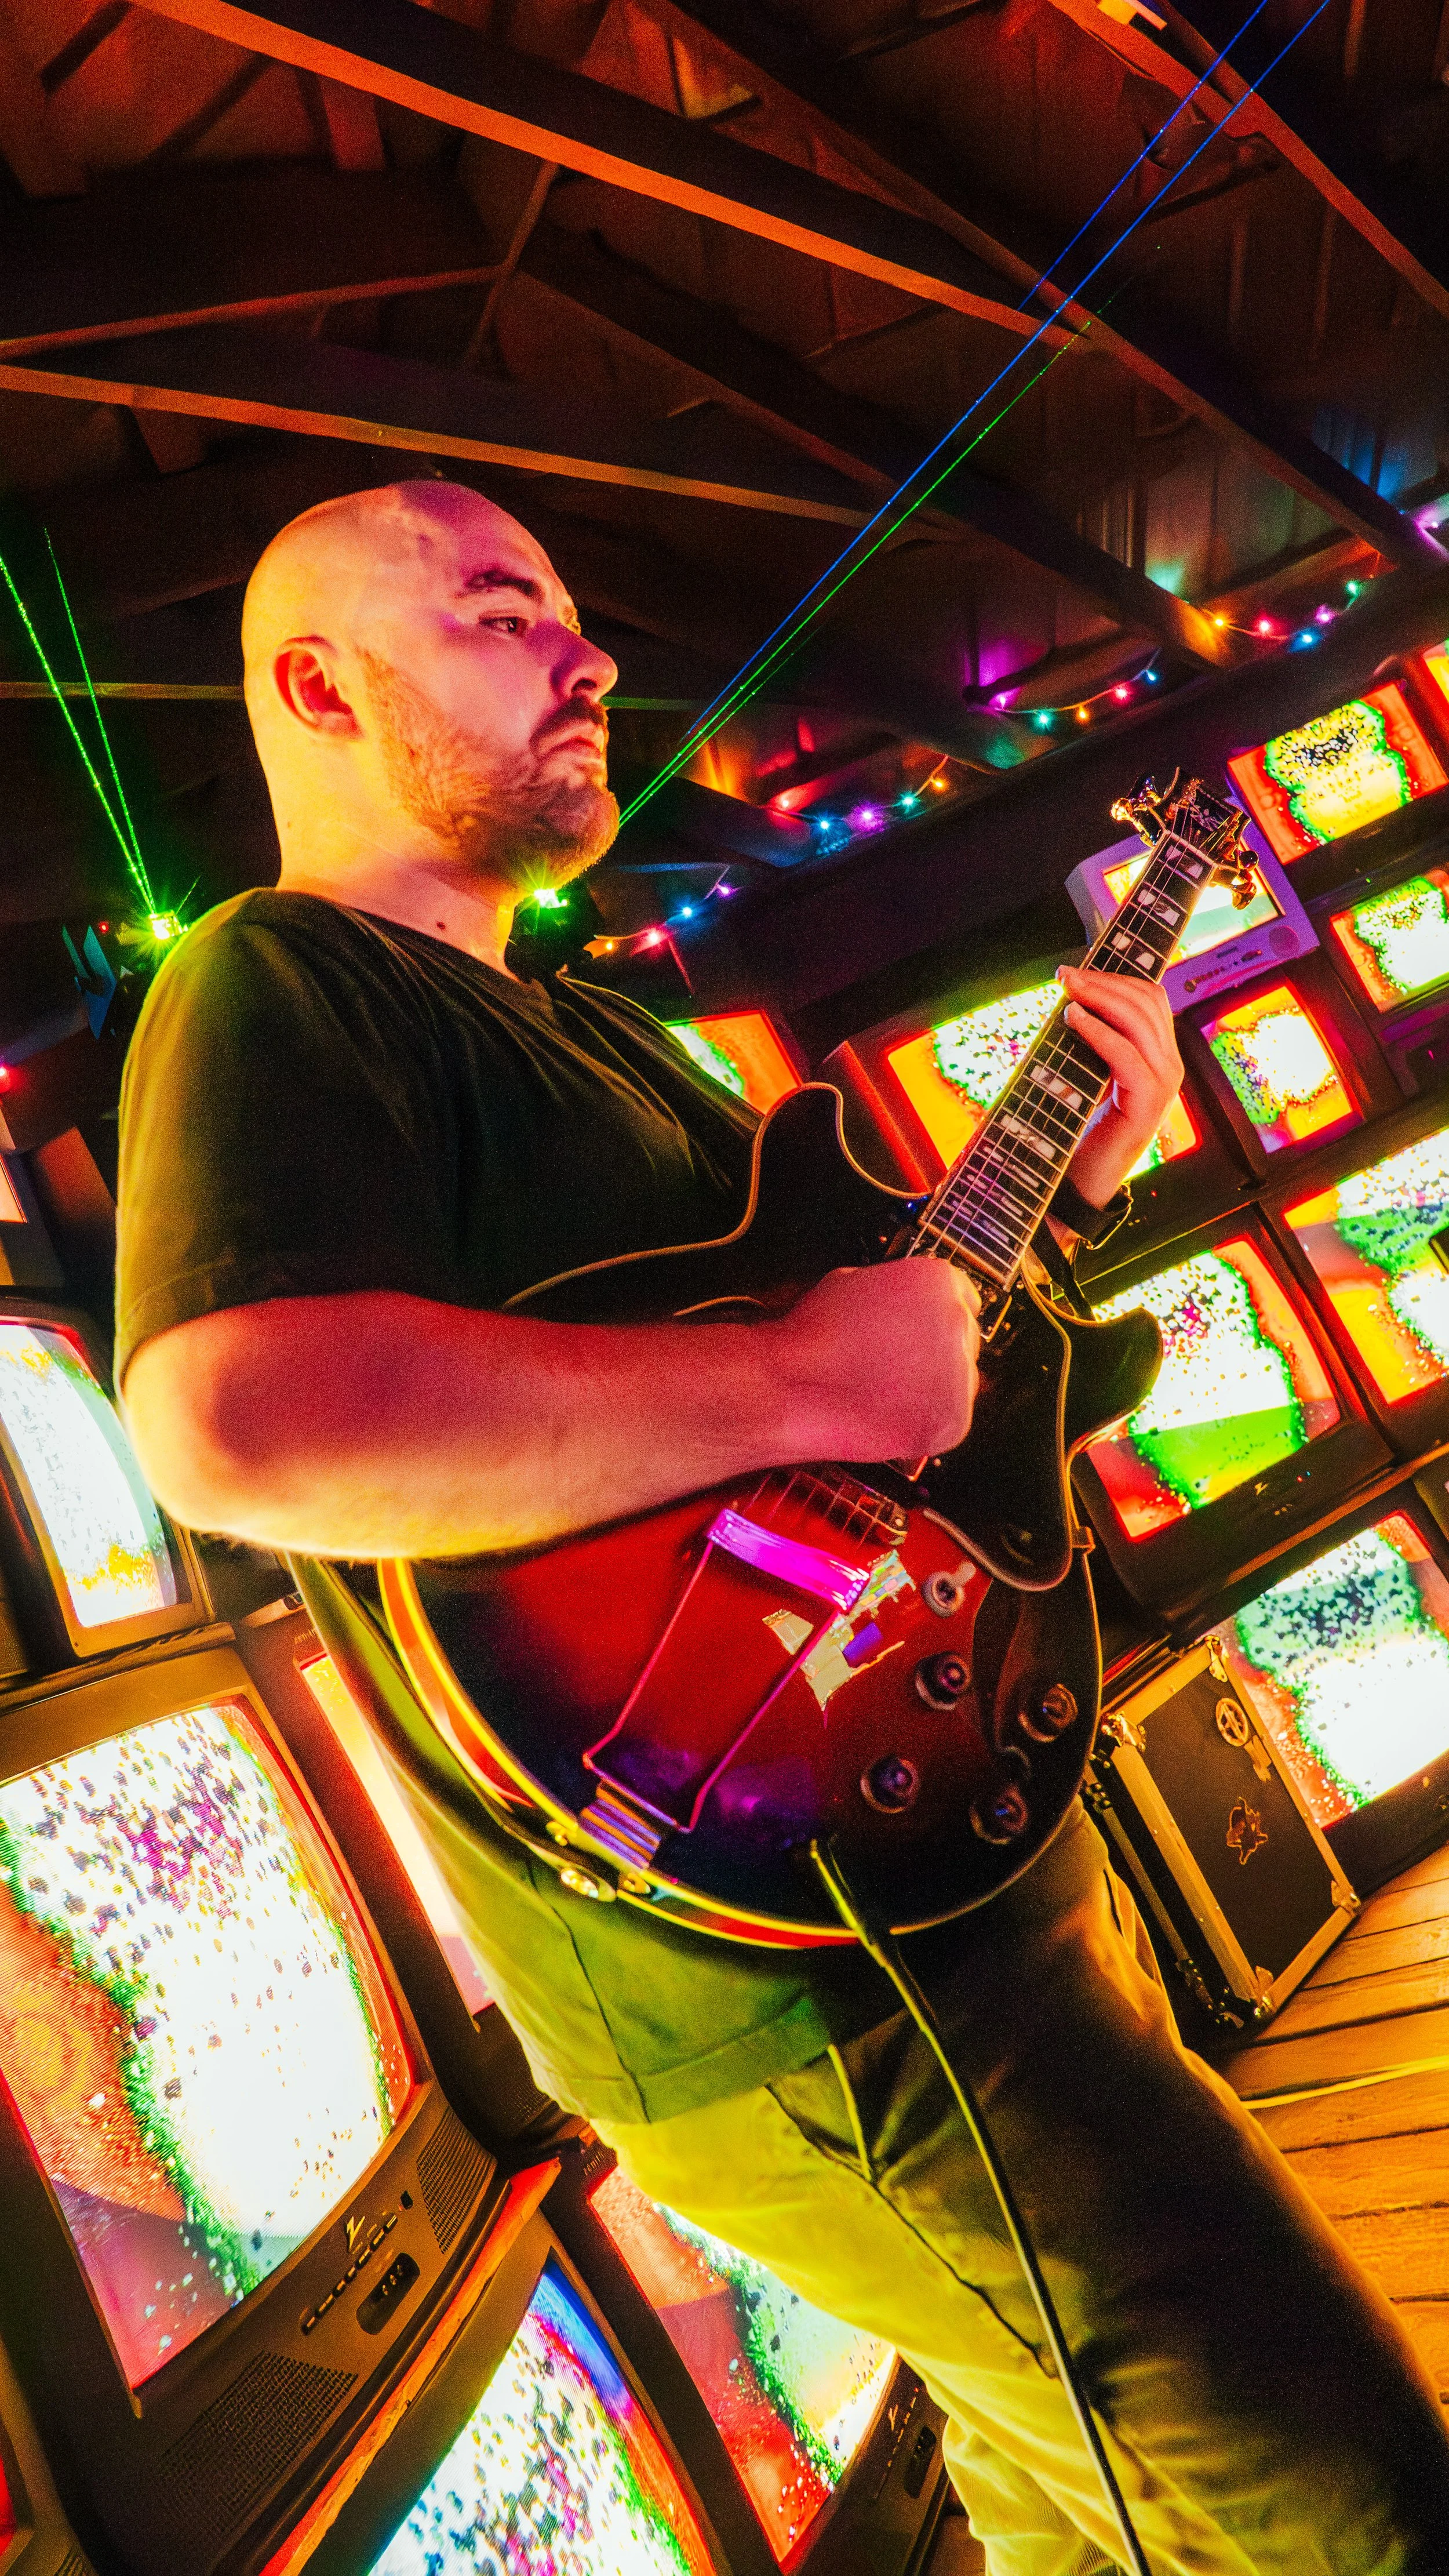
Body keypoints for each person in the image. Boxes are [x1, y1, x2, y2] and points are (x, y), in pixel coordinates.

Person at [117, 479, 1449, 2575]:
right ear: (316, 686)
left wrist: (1072, 1193)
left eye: (569, 612)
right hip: (792, 1982)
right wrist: (801, 1380)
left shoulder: (595, 1028)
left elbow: (887, 1428)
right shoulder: (280, 984)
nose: (588, 656)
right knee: (1352, 2514)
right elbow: (234, 1425)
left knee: (1085, 2518)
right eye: (496, 614)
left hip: (919, 1876)